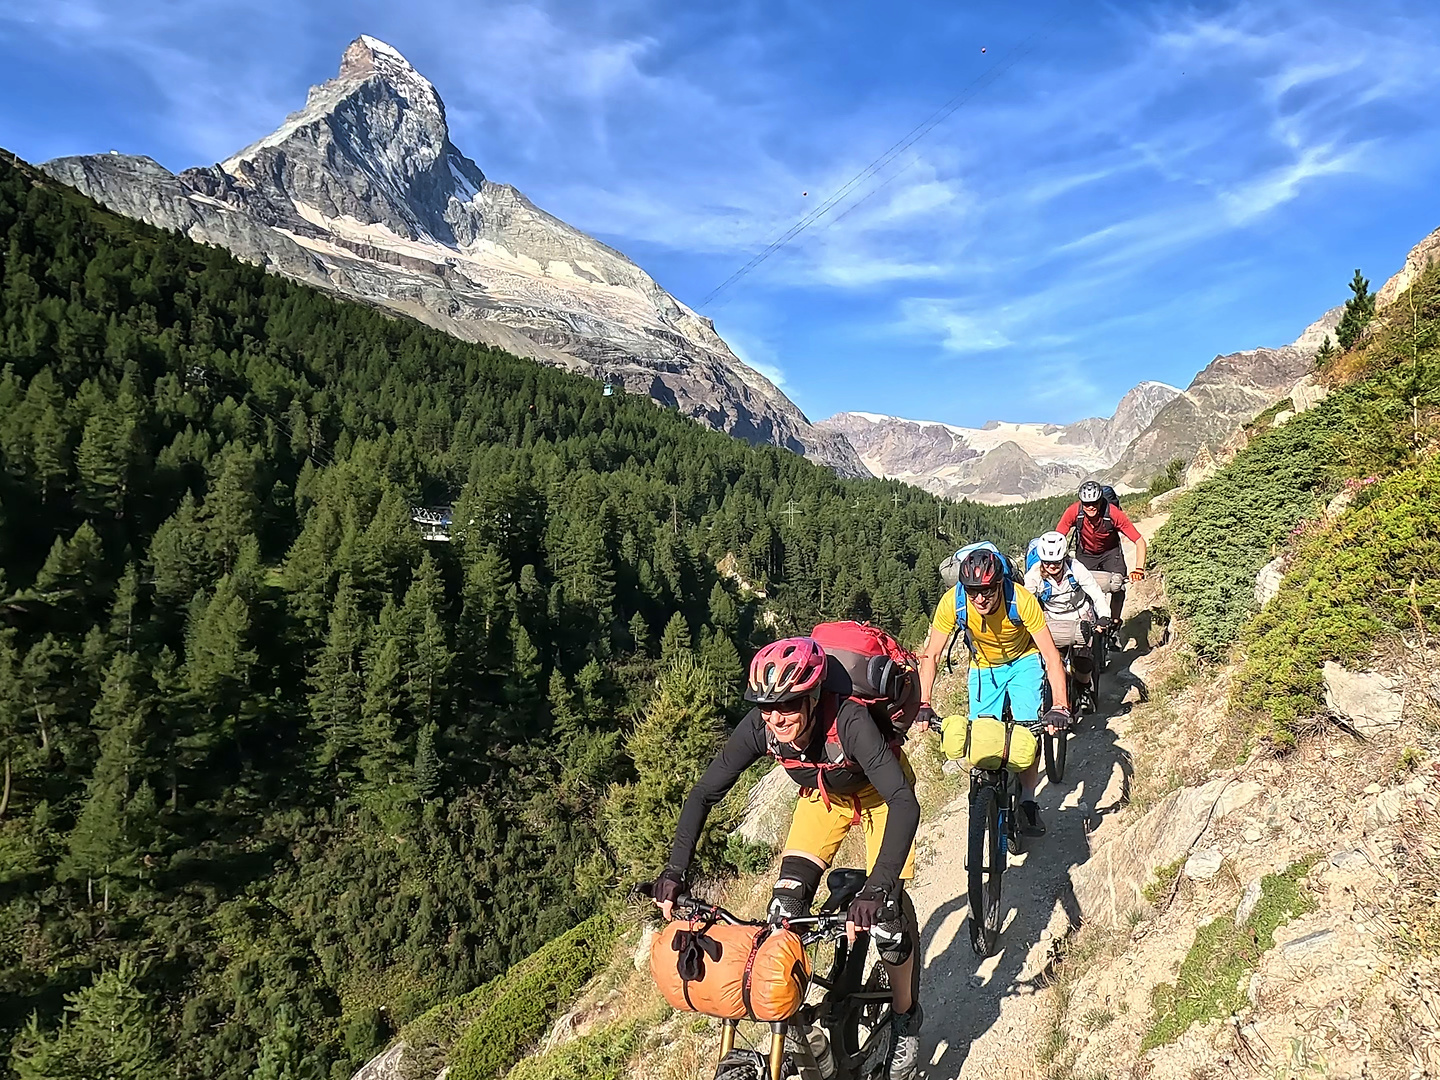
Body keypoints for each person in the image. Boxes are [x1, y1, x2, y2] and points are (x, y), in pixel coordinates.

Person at [651, 637, 925, 1080]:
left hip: (881, 797)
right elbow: (704, 793)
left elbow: (902, 802)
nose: (776, 719)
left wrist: (878, 889)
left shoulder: (850, 722)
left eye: (788, 707)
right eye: (766, 708)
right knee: (783, 913)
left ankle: (905, 1017)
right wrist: (674, 871)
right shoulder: (762, 727)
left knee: (888, 922)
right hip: (821, 797)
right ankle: (800, 1037)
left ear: (813, 698)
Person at [916, 546, 1071, 835]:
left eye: (987, 590)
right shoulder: (954, 602)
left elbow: (1051, 656)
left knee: (1027, 731)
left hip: (1023, 660)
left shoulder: (1022, 600)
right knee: (983, 737)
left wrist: (1059, 705)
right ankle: (989, 794)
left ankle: (1027, 800)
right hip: (984, 666)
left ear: (1000, 583)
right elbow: (932, 654)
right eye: (973, 591)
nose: (979, 599)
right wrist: (923, 702)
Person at [1024, 531, 1111, 714]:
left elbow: (1095, 592)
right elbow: (1026, 600)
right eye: (1047, 562)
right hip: (1052, 618)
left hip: (1080, 615)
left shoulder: (1076, 568)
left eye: (1056, 561)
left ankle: (1084, 687)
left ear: (1064, 557)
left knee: (1083, 660)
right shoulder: (1034, 575)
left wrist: (1104, 615)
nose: (1052, 566)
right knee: (1054, 659)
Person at [1055, 481, 1147, 632]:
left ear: (1100, 501)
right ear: (1081, 502)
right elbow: (1057, 537)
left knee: (1118, 587)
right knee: (1081, 588)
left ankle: (1115, 624)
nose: (1091, 507)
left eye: (1095, 502)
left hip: (1111, 553)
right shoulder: (1073, 512)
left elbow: (1139, 541)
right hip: (1085, 554)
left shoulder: (1113, 513)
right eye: (1086, 503)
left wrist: (1139, 569)